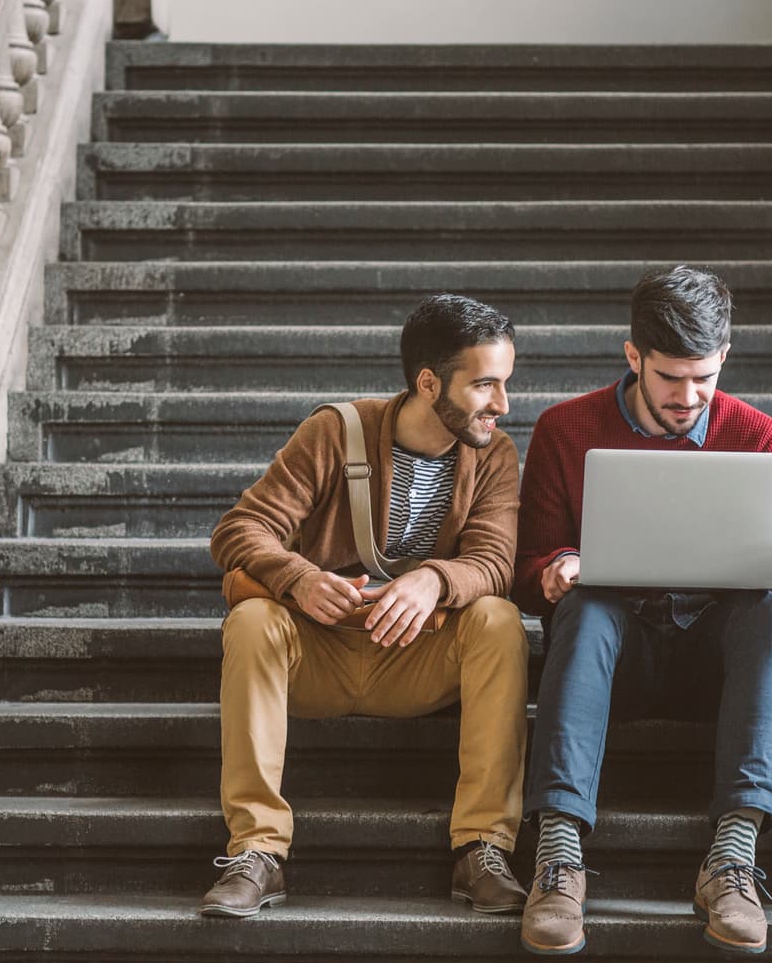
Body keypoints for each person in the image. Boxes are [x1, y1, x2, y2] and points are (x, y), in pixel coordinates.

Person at [203, 294, 530, 918]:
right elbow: (240, 530)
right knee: (252, 619)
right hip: (317, 656)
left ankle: (483, 846)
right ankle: (256, 850)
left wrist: (435, 579)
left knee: (499, 620)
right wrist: (298, 577)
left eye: (505, 383)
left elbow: (495, 564)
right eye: (485, 385)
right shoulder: (336, 431)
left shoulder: (495, 455)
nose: (502, 404)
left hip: (416, 662)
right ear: (429, 381)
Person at [513, 265, 772, 957]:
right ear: (633, 356)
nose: (688, 395)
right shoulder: (565, 429)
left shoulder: (758, 435)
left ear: (725, 357)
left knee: (768, 614)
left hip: (714, 656)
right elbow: (524, 574)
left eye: (703, 376)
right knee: (585, 607)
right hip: (615, 659)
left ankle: (732, 858)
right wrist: (554, 572)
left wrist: (733, 572)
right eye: (670, 377)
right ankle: (558, 860)